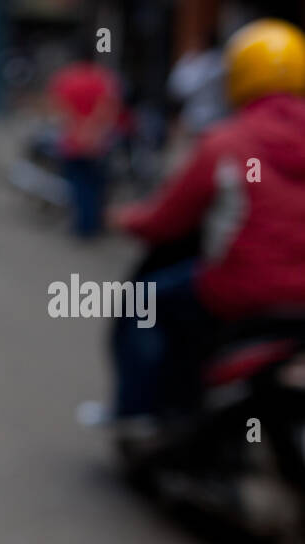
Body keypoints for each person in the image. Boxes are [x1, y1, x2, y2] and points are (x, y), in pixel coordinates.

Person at [108, 18, 305, 420]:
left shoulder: (228, 142)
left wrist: (129, 220)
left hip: (241, 292)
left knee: (142, 302)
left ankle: (139, 415)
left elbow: (166, 220)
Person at [47, 54, 123, 238]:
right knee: (96, 184)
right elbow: (108, 107)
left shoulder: (66, 78)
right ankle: (94, 224)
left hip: (72, 141)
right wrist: (93, 131)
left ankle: (83, 225)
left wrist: (77, 130)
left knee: (78, 185)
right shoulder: (104, 77)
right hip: (98, 141)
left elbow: (59, 108)